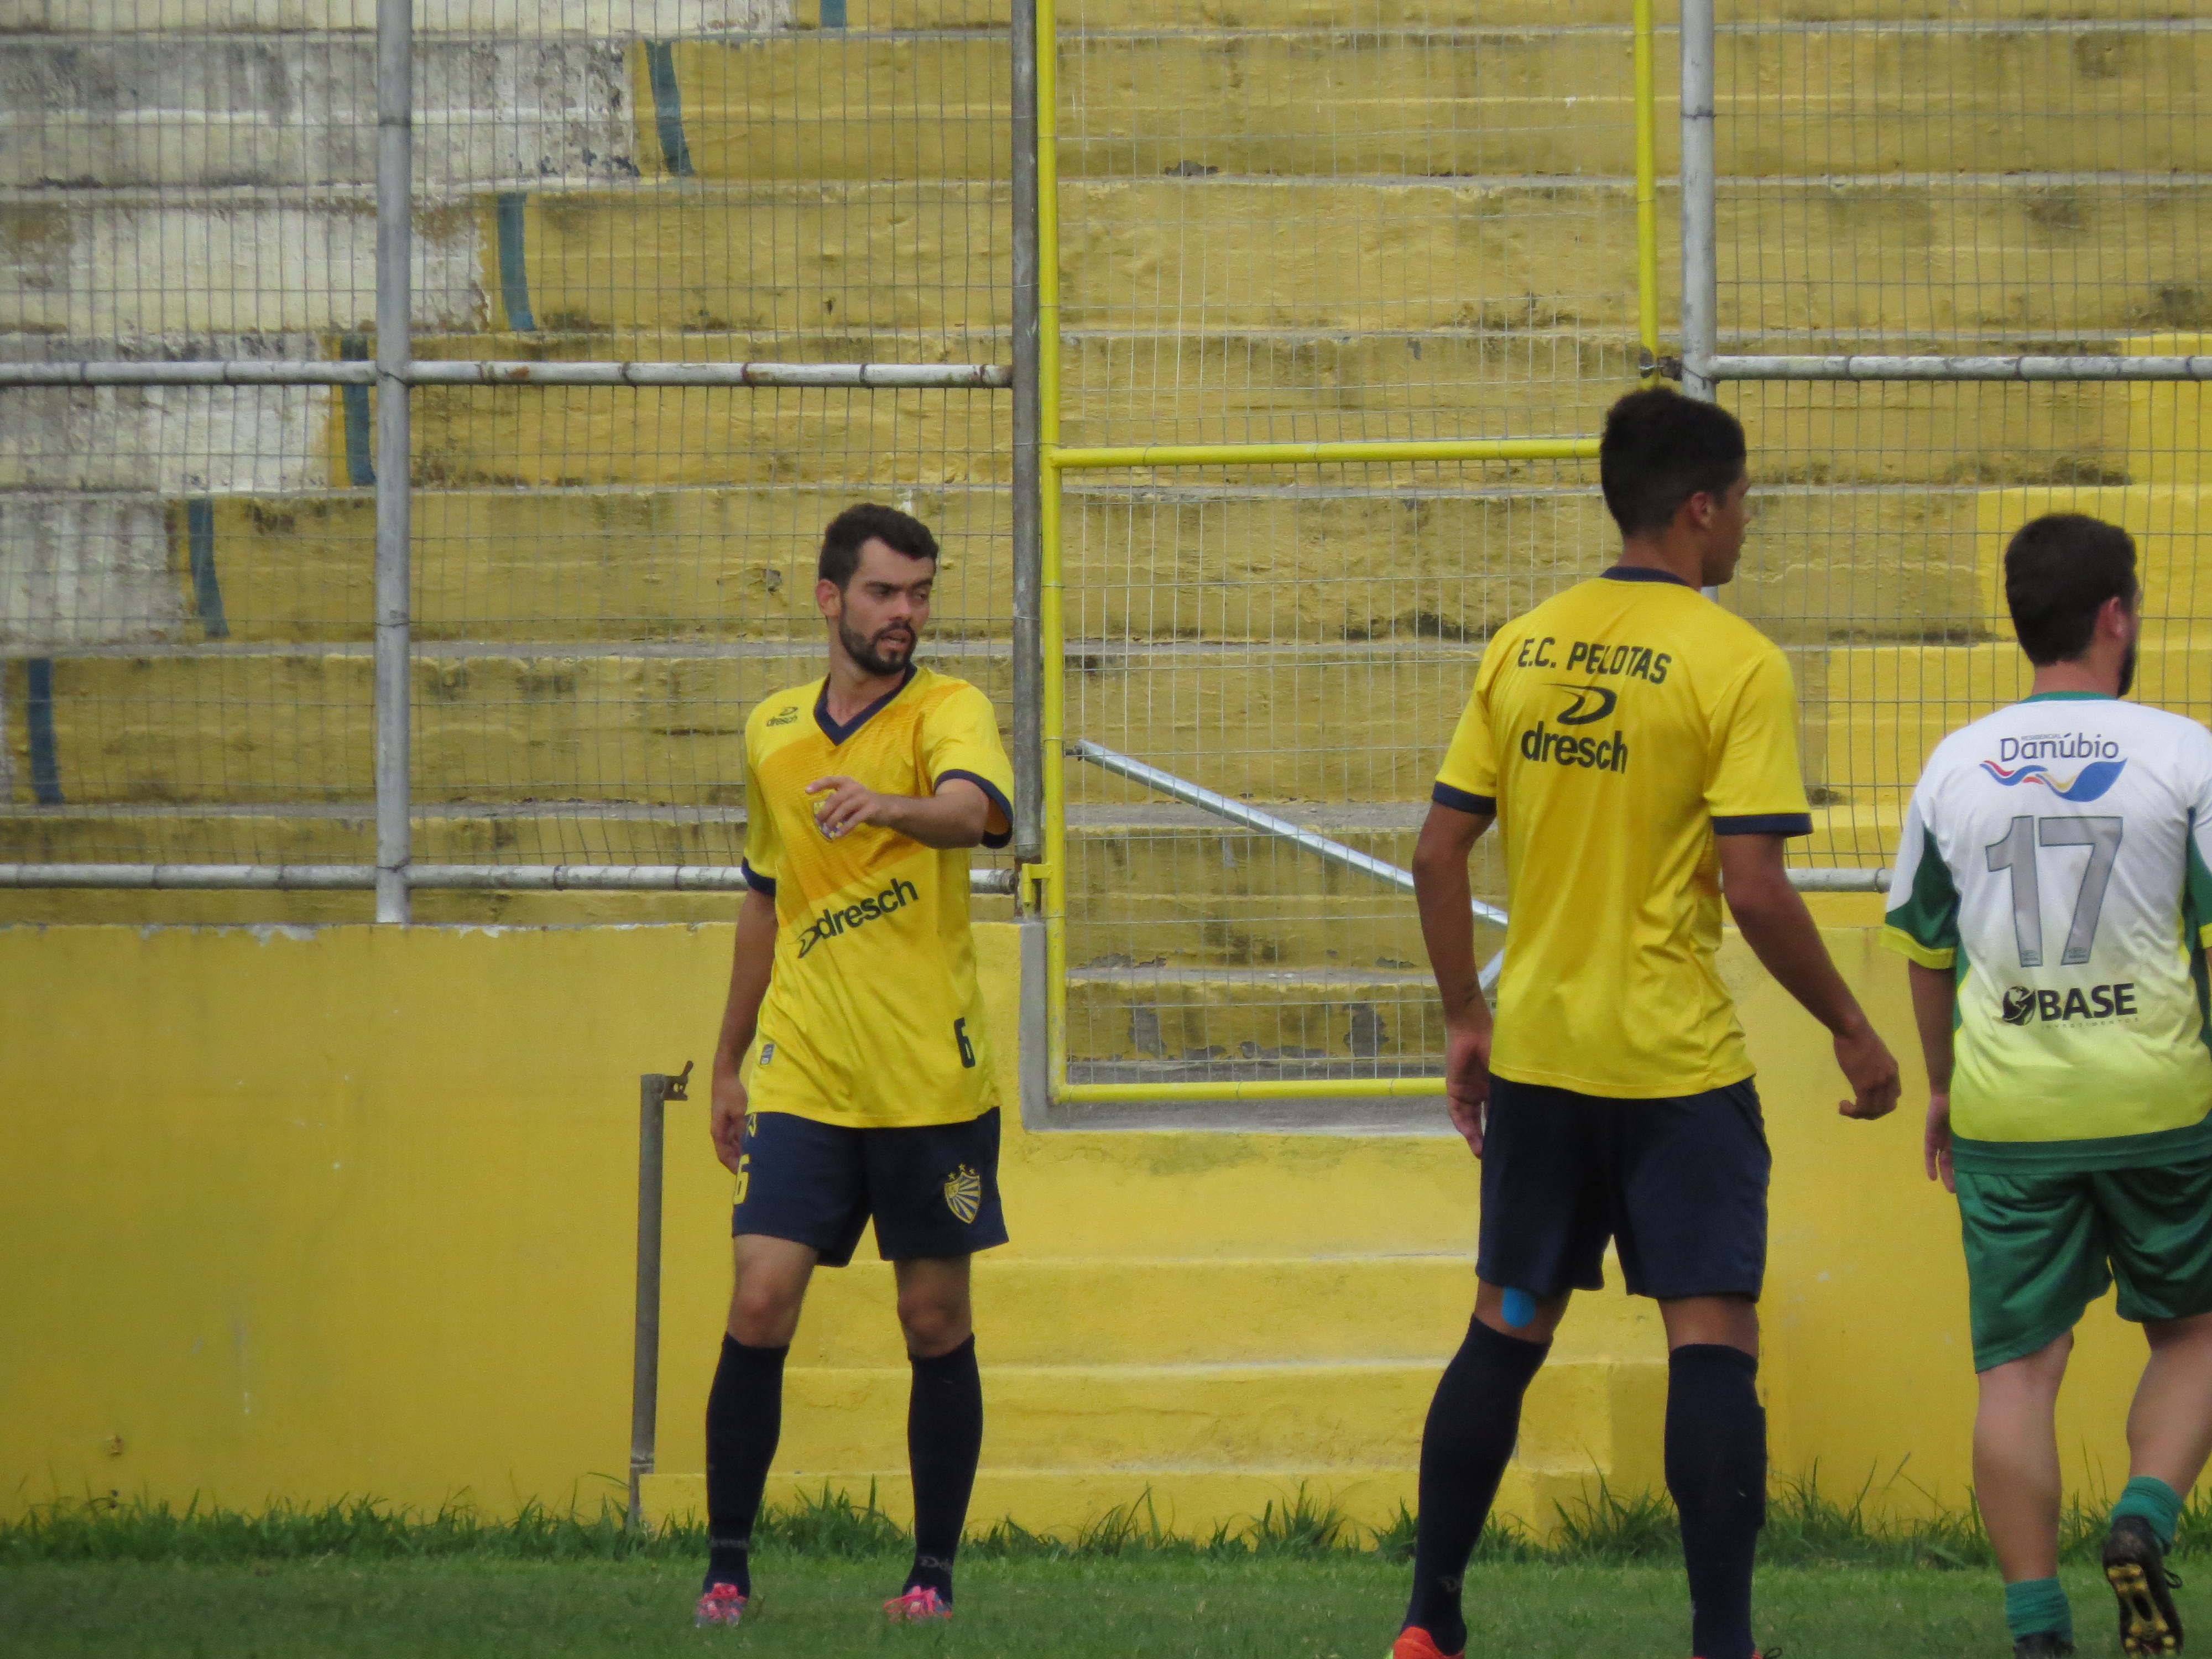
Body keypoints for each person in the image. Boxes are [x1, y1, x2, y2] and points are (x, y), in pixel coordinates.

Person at [1394, 388, 1901, 1659]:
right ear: (1695, 508)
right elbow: (1754, 886)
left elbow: (1436, 854)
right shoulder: (1735, 663)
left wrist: (1466, 1018)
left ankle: (1425, 1624)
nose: (1742, 526)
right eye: (1738, 504)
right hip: (1674, 1068)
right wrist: (1849, 1025)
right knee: (1710, 1341)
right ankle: (1721, 1646)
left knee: (1503, 1330)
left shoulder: (1523, 644)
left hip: (1544, 1059)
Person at [1884, 513, 2212, 1659]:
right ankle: (2140, 1519)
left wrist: (1938, 1090)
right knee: (2193, 1333)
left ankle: (2034, 1628)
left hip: (2006, 1107)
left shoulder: (1949, 762)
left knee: (2017, 1371)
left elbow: (1925, 951)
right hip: (2159, 1103)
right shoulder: (2185, 754)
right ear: (2114, 615)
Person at [693, 502, 1015, 1629]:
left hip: (929, 1082)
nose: (905, 615)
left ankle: (929, 1579)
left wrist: (897, 807)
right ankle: (726, 1571)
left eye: (921, 594)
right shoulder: (771, 729)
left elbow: (979, 814)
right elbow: (761, 896)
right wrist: (728, 1062)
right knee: (759, 1299)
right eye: (885, 593)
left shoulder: (948, 710)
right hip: (803, 1075)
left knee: (932, 1321)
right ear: (830, 598)